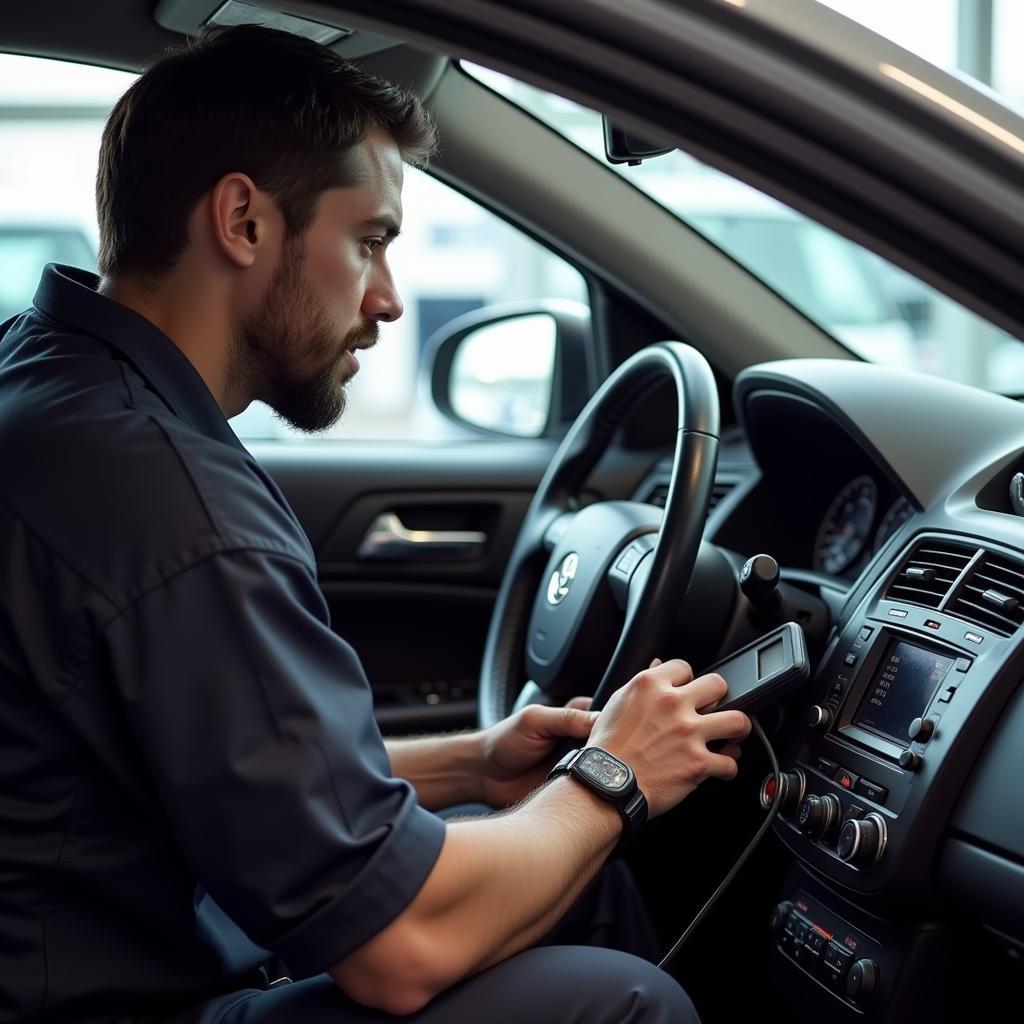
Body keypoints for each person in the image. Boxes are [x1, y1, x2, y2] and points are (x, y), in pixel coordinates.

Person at [0, 25, 751, 1024]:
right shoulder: (169, 504)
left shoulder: (50, 383)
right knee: (620, 1000)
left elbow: (203, 764)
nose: (389, 299)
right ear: (244, 221)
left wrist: (472, 761)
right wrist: (615, 774)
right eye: (371, 241)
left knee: (557, 857)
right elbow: (397, 951)